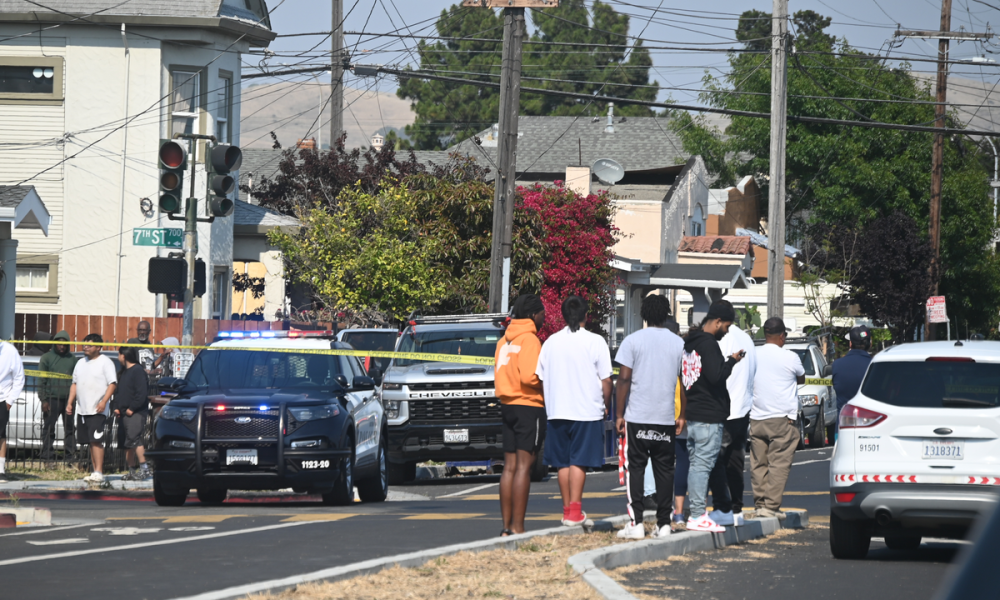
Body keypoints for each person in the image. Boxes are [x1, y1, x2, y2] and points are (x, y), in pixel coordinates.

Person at [536, 296, 613, 528]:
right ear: (585, 315)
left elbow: (539, 377)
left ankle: (566, 510)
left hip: (557, 410)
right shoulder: (595, 341)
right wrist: (605, 403)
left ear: (562, 315)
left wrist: (550, 399)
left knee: (562, 463)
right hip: (586, 410)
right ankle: (575, 512)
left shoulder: (550, 342)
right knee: (579, 461)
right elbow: (607, 380)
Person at [615, 295, 685, 540]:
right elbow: (683, 381)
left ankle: (635, 524)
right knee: (665, 470)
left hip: (638, 417)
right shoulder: (677, 343)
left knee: (636, 468)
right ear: (666, 315)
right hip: (665, 418)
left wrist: (619, 414)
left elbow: (623, 379)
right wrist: (682, 414)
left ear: (643, 315)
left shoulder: (633, 341)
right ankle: (664, 524)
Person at [682, 300, 743, 532]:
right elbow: (717, 376)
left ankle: (713, 511)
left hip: (694, 412)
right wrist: (731, 361)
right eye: (726, 326)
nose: (726, 331)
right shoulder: (708, 344)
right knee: (702, 465)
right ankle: (697, 514)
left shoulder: (690, 343)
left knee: (700, 463)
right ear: (717, 321)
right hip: (708, 414)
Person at [494, 293, 546, 537]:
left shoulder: (503, 341)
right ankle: (519, 527)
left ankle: (506, 527)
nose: (544, 317)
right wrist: (546, 382)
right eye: (542, 313)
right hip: (529, 406)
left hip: (507, 405)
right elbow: (529, 376)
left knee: (509, 467)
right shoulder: (530, 340)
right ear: (534, 315)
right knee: (525, 467)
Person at [749, 317, 806, 519]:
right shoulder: (790, 357)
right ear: (782, 336)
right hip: (782, 418)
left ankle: (759, 504)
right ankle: (771, 507)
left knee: (758, 464)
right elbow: (802, 377)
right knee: (779, 464)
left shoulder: (753, 354)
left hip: (756, 416)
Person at [708, 320, 757, 527]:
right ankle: (737, 507)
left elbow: (715, 373)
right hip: (743, 408)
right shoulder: (747, 338)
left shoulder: (722, 339)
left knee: (715, 460)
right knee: (735, 462)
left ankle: (722, 507)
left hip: (725, 409)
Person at [66, 333, 117, 484]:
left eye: (89, 345)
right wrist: (70, 402)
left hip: (97, 409)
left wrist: (104, 401)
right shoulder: (80, 363)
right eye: (84, 344)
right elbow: (74, 384)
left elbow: (112, 383)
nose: (85, 347)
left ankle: (99, 471)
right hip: (83, 409)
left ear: (98, 347)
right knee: (89, 441)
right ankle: (94, 471)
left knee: (96, 440)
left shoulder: (105, 362)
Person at [39, 331, 79, 460]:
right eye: (59, 343)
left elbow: (77, 379)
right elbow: (41, 380)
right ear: (54, 343)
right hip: (51, 398)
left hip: (68, 399)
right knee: (49, 428)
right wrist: (43, 399)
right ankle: (47, 454)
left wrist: (73, 399)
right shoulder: (46, 358)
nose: (62, 346)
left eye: (64, 344)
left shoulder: (72, 359)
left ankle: (70, 454)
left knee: (70, 428)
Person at [114, 346, 151, 481]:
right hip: (123, 413)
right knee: (126, 443)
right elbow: (119, 392)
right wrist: (117, 407)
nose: (118, 358)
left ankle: (144, 469)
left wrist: (132, 408)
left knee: (135, 439)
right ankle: (131, 471)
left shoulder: (138, 371)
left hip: (135, 413)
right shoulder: (123, 372)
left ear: (123, 355)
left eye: (119, 355)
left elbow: (141, 394)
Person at [832, 326, 873, 414]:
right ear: (870, 344)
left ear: (850, 344)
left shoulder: (837, 365)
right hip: (869, 423)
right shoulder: (876, 366)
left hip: (843, 424)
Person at [0, 341, 25, 483]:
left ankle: (1, 470)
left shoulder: (9, 351)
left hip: (2, 399)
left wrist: (10, 400)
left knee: (1, 435)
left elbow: (19, 377)